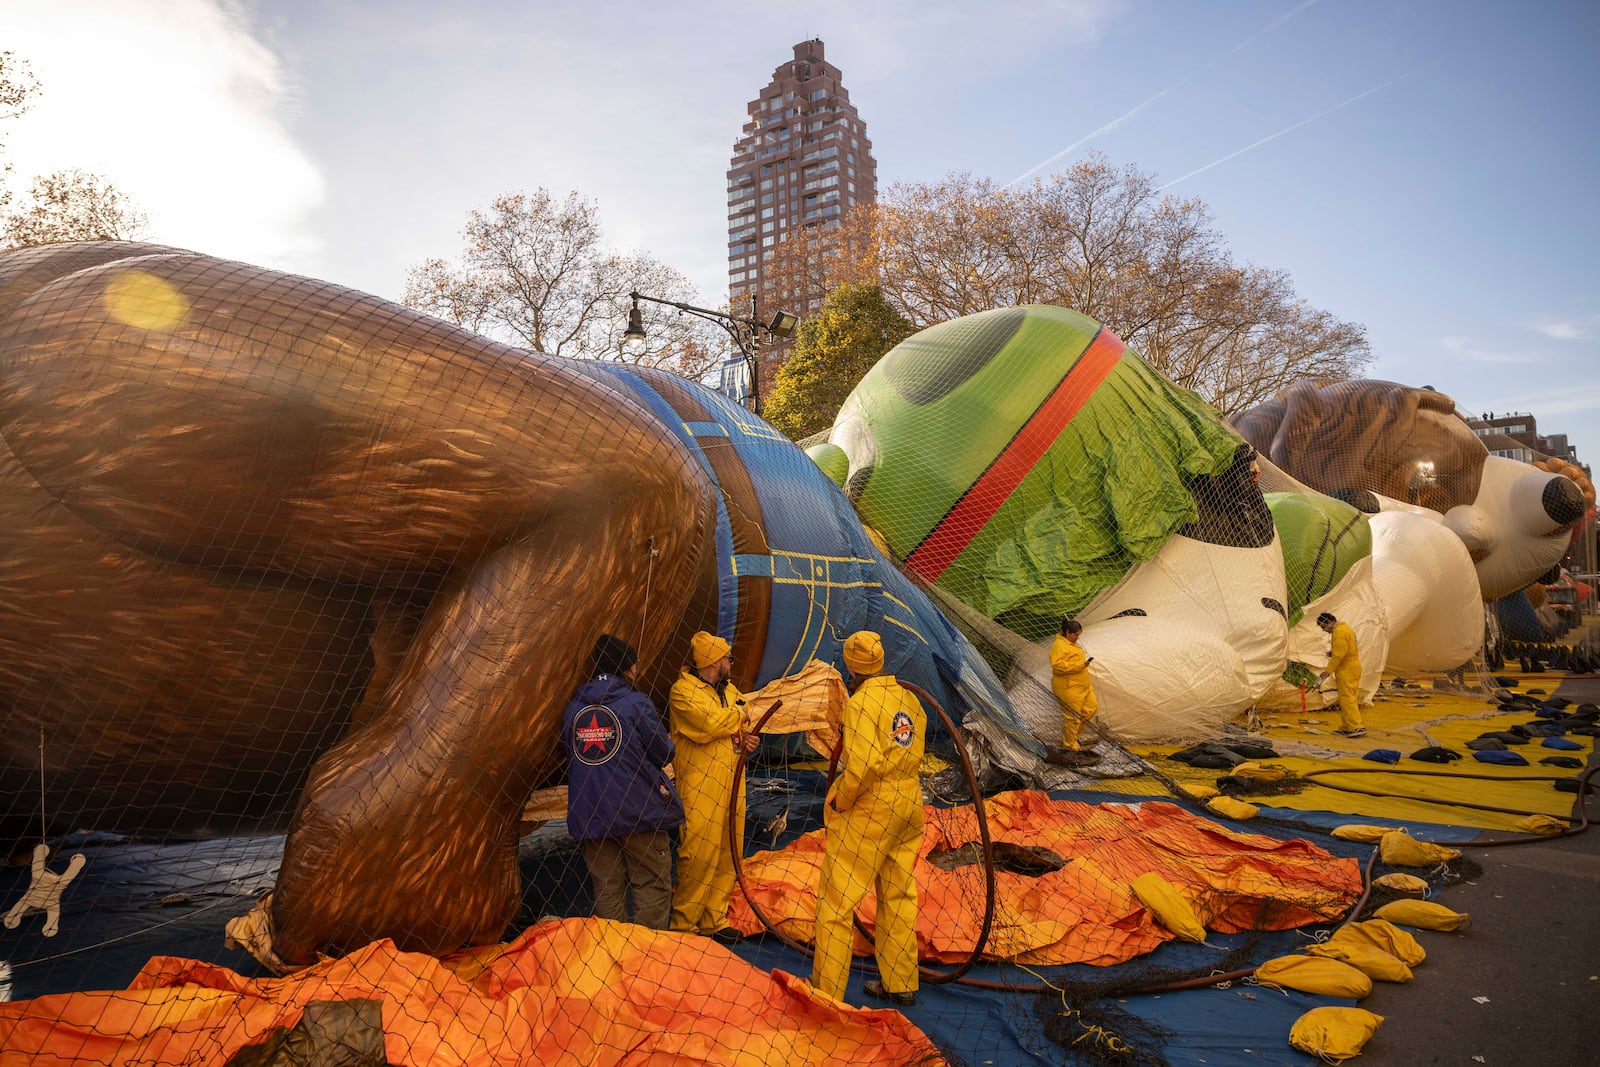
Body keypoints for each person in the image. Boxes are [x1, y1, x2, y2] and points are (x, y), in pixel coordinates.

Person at [811, 630, 926, 1008]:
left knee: (836, 902)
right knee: (898, 893)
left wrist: (841, 801)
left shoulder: (860, 704)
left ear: (850, 665)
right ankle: (901, 983)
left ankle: (826, 996)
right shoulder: (906, 697)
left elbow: (860, 770)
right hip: (909, 800)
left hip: (873, 806)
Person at [562, 634, 684, 929]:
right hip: (638, 810)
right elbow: (663, 751)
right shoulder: (634, 702)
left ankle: (611, 957)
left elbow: (567, 750)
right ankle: (646, 958)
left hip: (592, 813)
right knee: (652, 883)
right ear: (628, 667)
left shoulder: (574, 708)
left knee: (606, 888)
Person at [668, 630, 759, 943]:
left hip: (733, 781)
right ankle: (684, 923)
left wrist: (744, 740)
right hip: (700, 784)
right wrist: (737, 717)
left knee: (726, 852)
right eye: (726, 658)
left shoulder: (727, 690)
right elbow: (708, 726)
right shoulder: (683, 692)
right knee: (698, 852)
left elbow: (736, 723)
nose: (730, 663)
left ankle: (713, 919)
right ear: (711, 661)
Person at [1049, 618, 1098, 751]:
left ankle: (1072, 737)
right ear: (1068, 632)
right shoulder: (1059, 645)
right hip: (1069, 688)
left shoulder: (1073, 644)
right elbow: (1057, 666)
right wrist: (1080, 665)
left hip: (1083, 686)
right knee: (1072, 717)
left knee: (1091, 708)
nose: (1077, 637)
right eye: (1076, 635)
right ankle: (1070, 746)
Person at [1316, 612, 1365, 738]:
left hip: (1347, 669)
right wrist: (1333, 652)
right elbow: (1345, 649)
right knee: (1347, 698)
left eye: (1323, 627)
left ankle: (1356, 726)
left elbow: (1339, 656)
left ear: (1329, 622)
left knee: (1347, 699)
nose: (1324, 630)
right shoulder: (1345, 628)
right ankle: (1347, 726)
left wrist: (1326, 672)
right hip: (1352, 667)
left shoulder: (1339, 632)